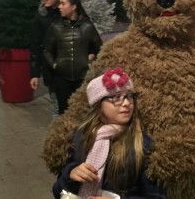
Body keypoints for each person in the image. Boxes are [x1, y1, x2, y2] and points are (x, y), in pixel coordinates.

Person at [52, 67, 166, 198]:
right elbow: (57, 190)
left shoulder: (142, 145)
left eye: (130, 96)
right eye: (116, 97)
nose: (127, 103)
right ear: (99, 105)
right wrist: (70, 175)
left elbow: (156, 196)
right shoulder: (81, 137)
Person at [44, 0, 102, 115]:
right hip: (62, 78)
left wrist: (91, 59)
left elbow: (100, 48)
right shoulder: (55, 26)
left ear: (74, 6)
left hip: (82, 77)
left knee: (84, 113)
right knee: (64, 113)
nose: (59, 7)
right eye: (59, 3)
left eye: (63, 3)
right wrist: (54, 65)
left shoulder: (87, 26)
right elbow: (47, 50)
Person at [30, 0, 65, 119]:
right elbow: (36, 45)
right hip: (52, 70)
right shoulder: (41, 18)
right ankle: (59, 139)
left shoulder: (67, 14)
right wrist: (34, 73)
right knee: (57, 107)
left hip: (71, 69)